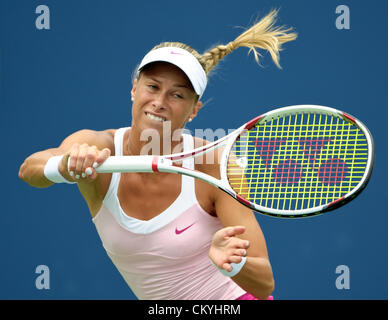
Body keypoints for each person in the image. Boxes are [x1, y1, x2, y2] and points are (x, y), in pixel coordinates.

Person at [19, 9, 297, 300]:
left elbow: (264, 282)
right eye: (152, 87)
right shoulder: (99, 146)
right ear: (134, 89)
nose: (160, 102)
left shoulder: (214, 166)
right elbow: (29, 170)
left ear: (194, 110)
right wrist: (64, 166)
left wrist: (232, 263)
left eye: (177, 95)